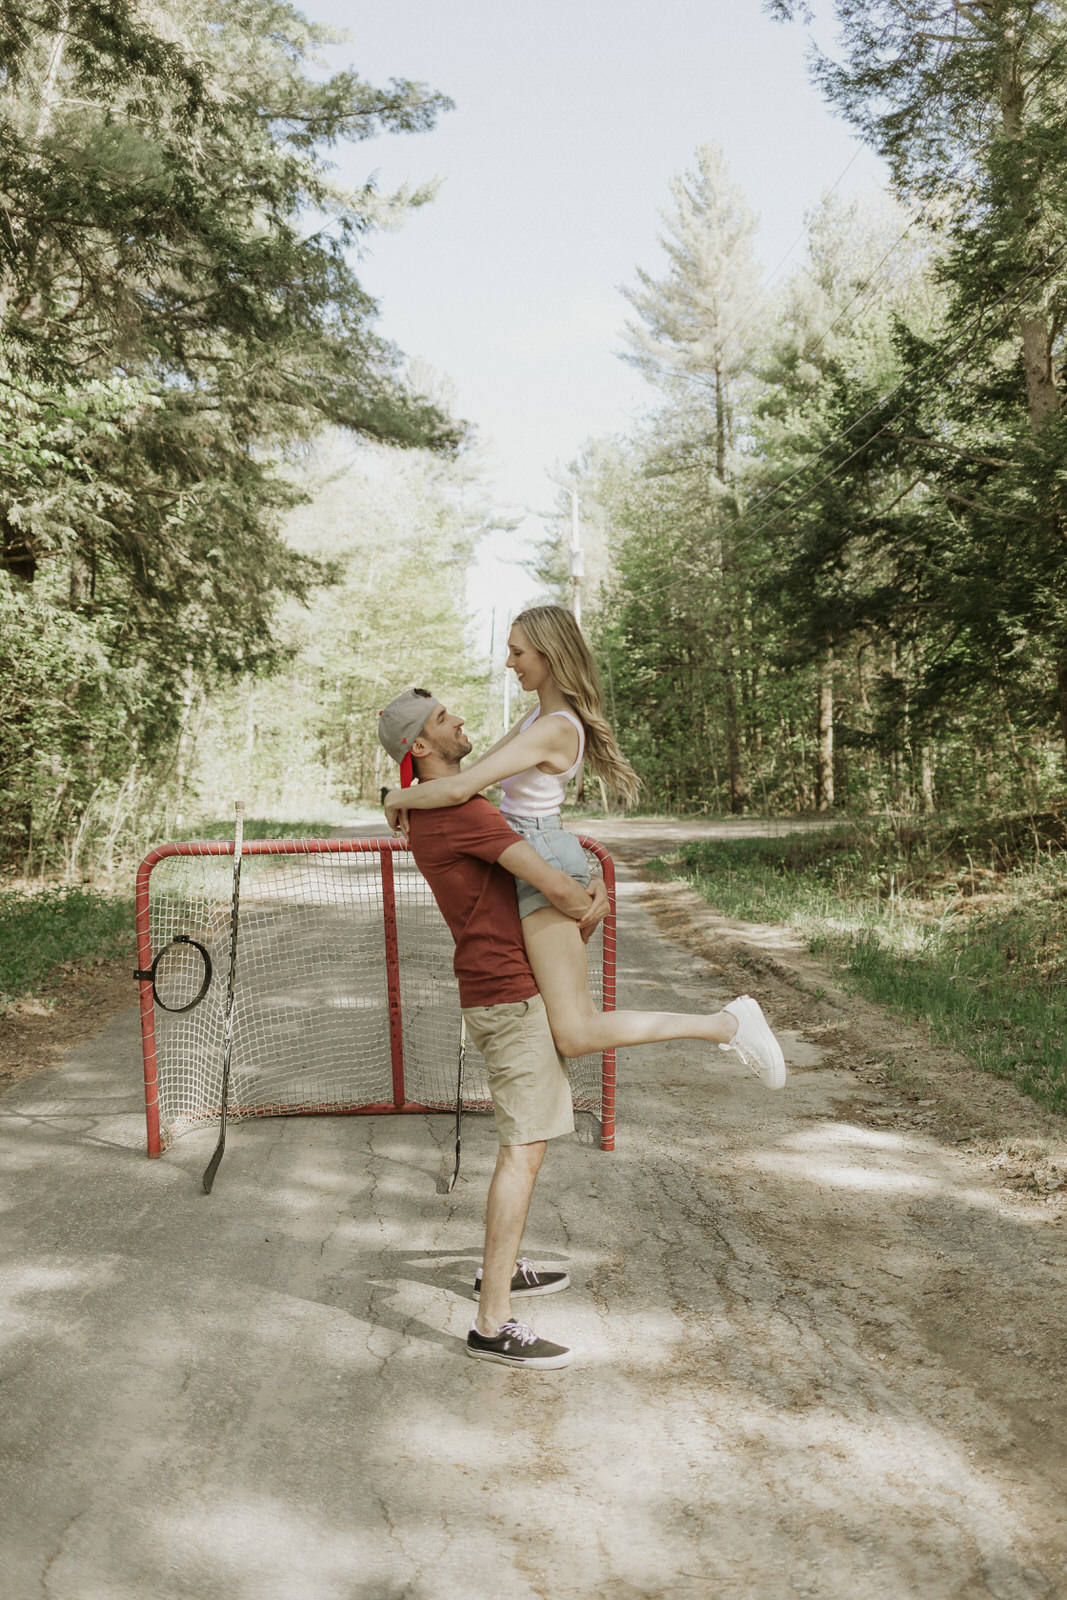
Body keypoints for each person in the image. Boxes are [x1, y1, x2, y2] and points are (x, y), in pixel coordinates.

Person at [383, 605, 787, 1089]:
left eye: (517, 652)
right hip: (532, 851)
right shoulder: (538, 716)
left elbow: (457, 791)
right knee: (565, 1025)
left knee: (574, 1030)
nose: (510, 663)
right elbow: (471, 780)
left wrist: (398, 796)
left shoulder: (555, 726)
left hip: (541, 852)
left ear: (548, 654)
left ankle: (727, 1024)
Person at [378, 686, 611, 1370]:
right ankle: (491, 1321)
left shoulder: (438, 813)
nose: (459, 721)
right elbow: (560, 891)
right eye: (444, 719)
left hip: (496, 992)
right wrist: (589, 899)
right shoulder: (468, 816)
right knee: (523, 1149)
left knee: (524, 1145)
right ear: (420, 746)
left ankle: (500, 1274)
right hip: (509, 996)